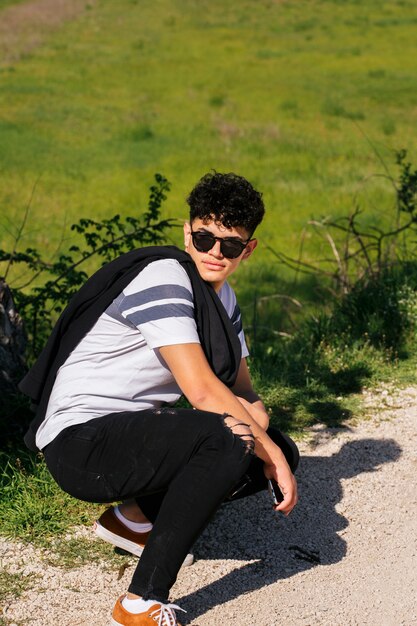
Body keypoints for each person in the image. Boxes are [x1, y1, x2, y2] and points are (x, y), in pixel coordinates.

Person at [20, 172, 298, 626]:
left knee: (274, 445)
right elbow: (204, 391)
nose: (214, 252)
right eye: (205, 237)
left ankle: (130, 520)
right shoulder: (165, 277)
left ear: (248, 250)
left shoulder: (224, 300)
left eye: (229, 245)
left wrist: (265, 436)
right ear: (187, 232)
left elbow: (243, 390)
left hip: (132, 434)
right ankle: (139, 604)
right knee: (233, 439)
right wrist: (264, 450)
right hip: (82, 443)